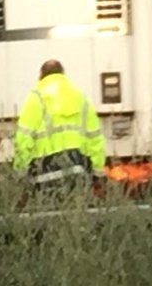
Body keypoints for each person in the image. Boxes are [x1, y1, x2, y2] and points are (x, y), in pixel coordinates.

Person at [13, 59, 106, 190]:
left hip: (43, 170)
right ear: (63, 74)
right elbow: (95, 138)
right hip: (78, 166)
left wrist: (20, 171)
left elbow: (23, 138)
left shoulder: (36, 98)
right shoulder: (81, 97)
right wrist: (97, 172)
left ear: (41, 76)